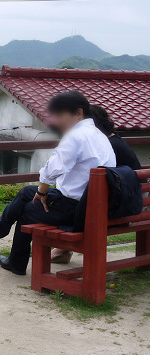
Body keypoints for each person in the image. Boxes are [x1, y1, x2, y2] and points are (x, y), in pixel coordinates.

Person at [0, 91, 116, 275]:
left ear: (78, 113)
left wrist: (42, 191)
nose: (57, 121)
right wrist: (40, 191)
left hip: (77, 210)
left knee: (28, 209)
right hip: (92, 206)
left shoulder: (77, 136)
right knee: (27, 193)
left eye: (61, 115)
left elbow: (53, 167)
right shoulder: (99, 135)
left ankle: (13, 259)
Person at [50, 104, 141, 263]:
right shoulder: (115, 141)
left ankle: (61, 250)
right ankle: (62, 250)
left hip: (126, 207)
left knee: (70, 207)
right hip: (135, 201)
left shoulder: (105, 146)